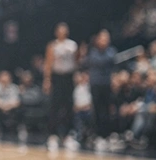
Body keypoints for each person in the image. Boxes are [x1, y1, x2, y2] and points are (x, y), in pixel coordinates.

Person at [44, 22, 78, 151]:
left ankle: (68, 135)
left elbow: (76, 62)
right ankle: (52, 135)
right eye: (60, 30)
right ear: (56, 32)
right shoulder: (53, 45)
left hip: (68, 77)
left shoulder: (72, 45)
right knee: (55, 106)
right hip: (57, 77)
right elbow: (48, 63)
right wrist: (47, 80)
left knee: (69, 106)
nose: (62, 32)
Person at [86, 30, 118, 145]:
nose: (105, 41)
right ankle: (97, 134)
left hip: (107, 84)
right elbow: (94, 62)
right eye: (102, 38)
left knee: (107, 110)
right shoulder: (92, 52)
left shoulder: (111, 52)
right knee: (97, 110)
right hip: (95, 84)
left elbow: (112, 65)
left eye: (106, 38)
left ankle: (106, 134)